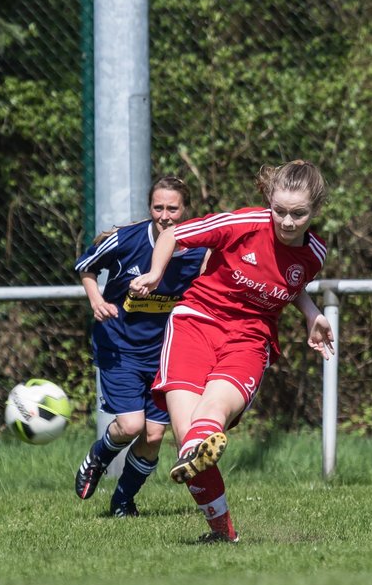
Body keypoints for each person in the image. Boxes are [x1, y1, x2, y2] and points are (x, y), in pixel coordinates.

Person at [128, 159, 335, 542]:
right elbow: (174, 235)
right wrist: (156, 275)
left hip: (250, 337)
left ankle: (217, 512)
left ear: (316, 210)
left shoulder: (315, 253)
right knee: (188, 434)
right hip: (195, 324)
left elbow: (288, 283)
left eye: (299, 214)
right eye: (280, 211)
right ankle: (222, 532)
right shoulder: (240, 224)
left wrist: (311, 313)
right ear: (269, 201)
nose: (287, 222)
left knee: (210, 419)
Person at [73, 177, 206, 517]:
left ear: (185, 210)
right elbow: (85, 266)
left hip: (166, 353)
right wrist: (96, 300)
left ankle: (122, 501)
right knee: (131, 426)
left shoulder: (200, 252)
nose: (165, 215)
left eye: (172, 208)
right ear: (150, 208)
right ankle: (98, 457)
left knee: (154, 434)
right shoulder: (126, 240)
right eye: (158, 207)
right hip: (120, 346)